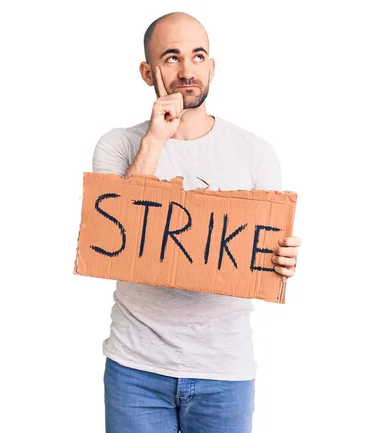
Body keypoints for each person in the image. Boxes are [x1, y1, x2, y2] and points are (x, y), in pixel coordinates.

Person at [92, 11, 302, 433]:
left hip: (224, 371)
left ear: (212, 66)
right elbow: (117, 237)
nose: (187, 70)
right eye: (171, 58)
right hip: (136, 368)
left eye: (197, 56)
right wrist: (155, 140)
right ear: (146, 71)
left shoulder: (254, 152)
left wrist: (281, 262)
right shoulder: (118, 146)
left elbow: (256, 257)